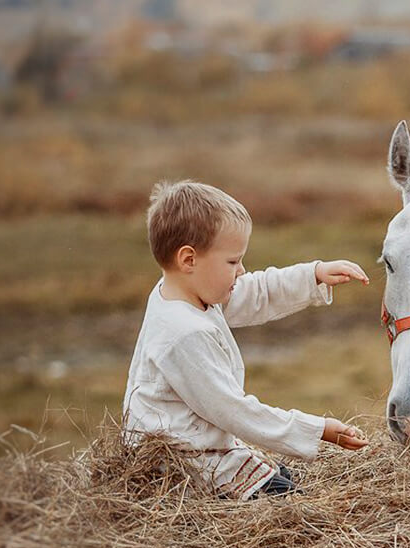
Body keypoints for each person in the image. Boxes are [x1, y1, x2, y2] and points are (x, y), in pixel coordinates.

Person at [123, 180, 369, 499]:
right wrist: (317, 429)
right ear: (188, 260)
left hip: (199, 443)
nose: (241, 271)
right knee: (292, 503)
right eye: (232, 261)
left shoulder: (183, 291)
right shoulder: (185, 334)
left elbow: (256, 291)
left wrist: (314, 274)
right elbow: (235, 411)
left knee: (283, 479)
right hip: (180, 468)